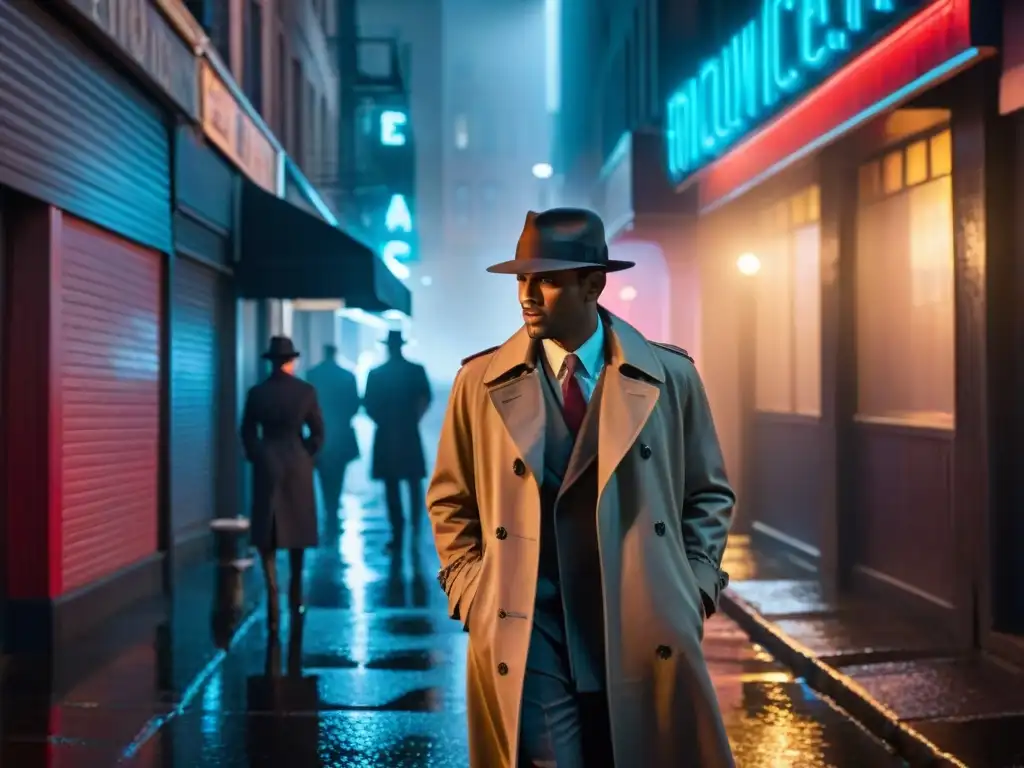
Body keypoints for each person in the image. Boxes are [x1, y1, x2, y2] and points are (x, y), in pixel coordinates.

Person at [426, 208, 736, 767]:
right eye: (521, 279)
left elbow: (708, 492)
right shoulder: (479, 383)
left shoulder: (671, 377)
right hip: (530, 622)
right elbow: (451, 500)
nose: (527, 294)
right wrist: (472, 592)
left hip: (639, 619)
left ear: (593, 284)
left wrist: (691, 588)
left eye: (546, 279)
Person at [241, 336, 325, 633]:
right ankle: (296, 591)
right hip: (297, 463)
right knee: (298, 529)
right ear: (291, 360)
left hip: (267, 462)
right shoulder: (306, 392)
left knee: (268, 530)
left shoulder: (257, 393)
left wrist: (257, 454)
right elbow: (317, 431)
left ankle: (273, 591)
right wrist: (305, 452)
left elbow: (247, 431)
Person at [363, 330, 433, 550]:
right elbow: (426, 398)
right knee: (413, 483)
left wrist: (383, 421)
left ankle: (398, 531)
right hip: (408, 432)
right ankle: (415, 529)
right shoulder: (415, 370)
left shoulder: (376, 374)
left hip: (385, 434)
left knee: (391, 486)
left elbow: (368, 404)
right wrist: (413, 419)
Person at [305, 344, 361, 535]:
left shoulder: (312, 374)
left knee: (323, 478)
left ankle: (329, 514)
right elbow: (355, 405)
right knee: (337, 478)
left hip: (319, 434)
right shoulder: (347, 376)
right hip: (342, 435)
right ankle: (333, 513)